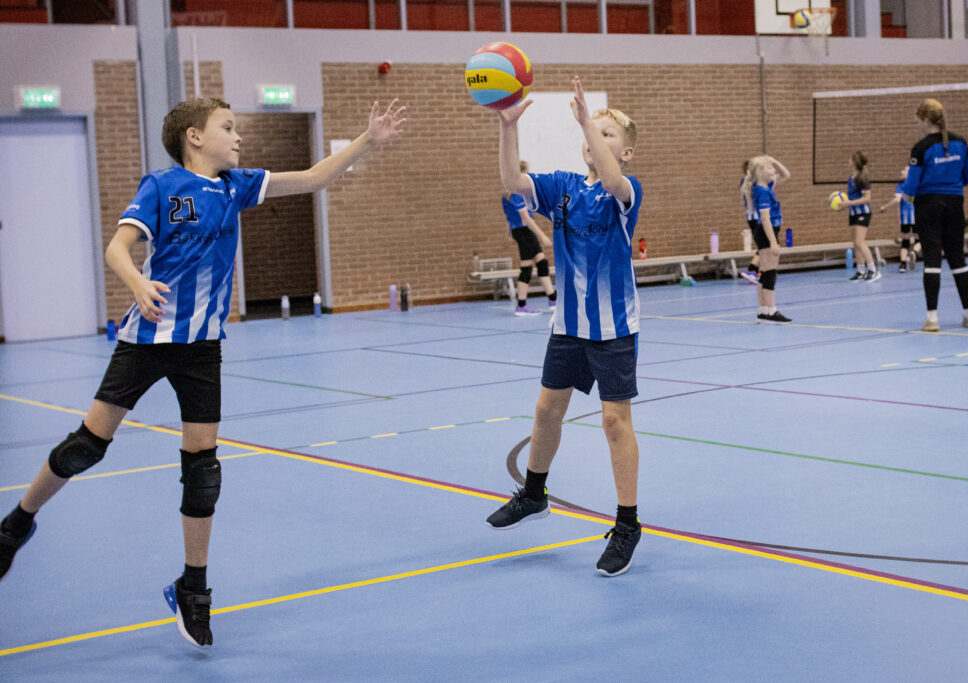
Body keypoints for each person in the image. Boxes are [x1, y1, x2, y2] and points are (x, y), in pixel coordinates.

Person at [0, 96, 406, 647]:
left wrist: (366, 141)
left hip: (202, 348)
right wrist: (137, 283)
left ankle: (193, 587)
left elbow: (313, 178)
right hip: (146, 340)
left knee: (203, 471)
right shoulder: (161, 187)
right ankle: (16, 525)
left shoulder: (237, 186)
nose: (238, 137)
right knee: (86, 447)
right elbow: (118, 247)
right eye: (227, 127)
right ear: (194, 136)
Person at [484, 76, 644, 577]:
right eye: (592, 131)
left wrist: (585, 121)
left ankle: (627, 524)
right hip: (568, 326)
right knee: (546, 410)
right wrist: (507, 128)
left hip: (613, 328)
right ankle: (534, 494)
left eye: (608, 133)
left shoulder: (625, 192)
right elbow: (513, 182)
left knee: (614, 422)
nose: (595, 137)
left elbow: (613, 181)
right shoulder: (564, 188)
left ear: (626, 152)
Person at [902, 98, 968, 332]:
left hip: (928, 206)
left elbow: (911, 186)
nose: (918, 125)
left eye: (919, 121)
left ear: (926, 120)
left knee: (932, 260)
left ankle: (932, 319)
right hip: (955, 205)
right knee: (958, 260)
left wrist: (906, 194)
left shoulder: (921, 147)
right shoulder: (961, 143)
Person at [502, 160, 557, 315]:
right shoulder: (517, 193)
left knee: (541, 263)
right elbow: (526, 218)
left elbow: (509, 217)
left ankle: (553, 299)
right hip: (525, 232)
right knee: (527, 267)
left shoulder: (507, 194)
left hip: (519, 231)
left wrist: (508, 234)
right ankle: (521, 305)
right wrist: (543, 236)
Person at [741, 156, 791, 322]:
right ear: (760, 173)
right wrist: (773, 242)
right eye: (770, 168)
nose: (774, 170)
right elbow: (765, 219)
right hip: (766, 231)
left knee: (765, 271)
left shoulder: (764, 186)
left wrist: (773, 161)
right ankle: (771, 310)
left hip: (764, 231)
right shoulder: (761, 192)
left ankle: (764, 310)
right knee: (770, 272)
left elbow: (786, 175)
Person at [839, 151, 879, 281]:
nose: (848, 161)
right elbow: (852, 198)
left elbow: (867, 198)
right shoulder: (851, 178)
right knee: (855, 244)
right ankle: (861, 271)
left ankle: (873, 270)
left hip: (863, 213)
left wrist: (849, 203)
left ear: (855, 162)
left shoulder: (862, 178)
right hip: (853, 213)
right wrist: (844, 205)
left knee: (859, 242)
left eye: (850, 159)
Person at [878, 165, 922, 273]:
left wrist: (885, 207)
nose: (901, 171)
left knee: (905, 241)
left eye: (904, 170)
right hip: (917, 216)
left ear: (909, 173)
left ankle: (903, 265)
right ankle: (913, 253)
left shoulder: (901, 185)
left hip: (905, 218)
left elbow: (897, 199)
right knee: (919, 240)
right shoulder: (918, 184)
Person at [739, 159, 760, 285]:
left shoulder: (744, 181)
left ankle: (756, 272)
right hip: (758, 217)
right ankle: (751, 270)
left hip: (751, 218)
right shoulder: (755, 183)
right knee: (766, 245)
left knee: (762, 245)